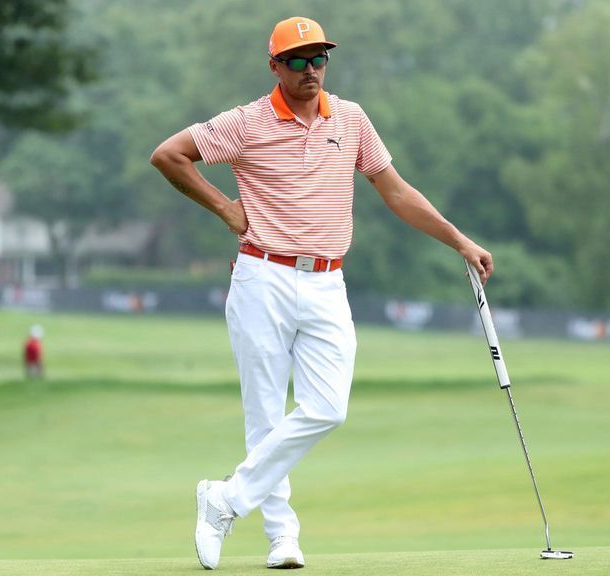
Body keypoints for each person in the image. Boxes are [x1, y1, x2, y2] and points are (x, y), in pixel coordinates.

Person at [150, 16, 494, 570]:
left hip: (328, 279)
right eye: (297, 61)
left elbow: (397, 192)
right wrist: (224, 208)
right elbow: (168, 154)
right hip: (263, 275)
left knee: (328, 408)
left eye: (319, 59)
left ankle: (225, 499)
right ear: (275, 67)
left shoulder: (352, 120)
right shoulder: (246, 122)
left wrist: (458, 240)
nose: (311, 70)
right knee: (264, 415)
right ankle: (282, 539)